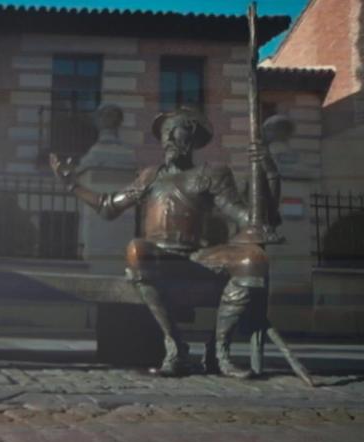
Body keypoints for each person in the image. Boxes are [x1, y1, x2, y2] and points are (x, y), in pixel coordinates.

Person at [51, 107, 275, 378]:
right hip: (158, 256)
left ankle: (220, 351)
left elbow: (249, 219)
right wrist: (71, 184)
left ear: (191, 136)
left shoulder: (211, 174)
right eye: (164, 132)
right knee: (136, 249)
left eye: (175, 129)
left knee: (253, 259)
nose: (168, 137)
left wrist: (270, 176)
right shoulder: (150, 176)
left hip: (197, 256)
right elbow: (108, 206)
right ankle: (176, 347)